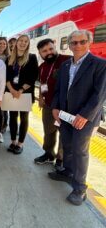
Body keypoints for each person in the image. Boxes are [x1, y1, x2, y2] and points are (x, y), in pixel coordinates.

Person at [50, 30, 106, 206]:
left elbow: (100, 94)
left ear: (89, 42)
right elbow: (59, 89)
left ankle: (80, 188)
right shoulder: (66, 65)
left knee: (80, 151)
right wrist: (55, 107)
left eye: (82, 42)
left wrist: (85, 115)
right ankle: (67, 171)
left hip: (85, 118)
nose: (78, 45)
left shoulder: (99, 64)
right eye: (74, 42)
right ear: (69, 44)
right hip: (65, 114)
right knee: (66, 144)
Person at [34, 39, 69, 168]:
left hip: (65, 107)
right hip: (48, 105)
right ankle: (48, 154)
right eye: (44, 51)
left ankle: (61, 160)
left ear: (55, 47)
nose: (48, 52)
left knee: (64, 133)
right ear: (40, 53)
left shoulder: (67, 61)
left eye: (50, 49)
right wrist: (41, 97)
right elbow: (43, 83)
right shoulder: (42, 67)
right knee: (48, 131)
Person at [5, 34, 38, 154]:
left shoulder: (32, 57)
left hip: (25, 93)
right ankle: (13, 141)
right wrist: (12, 90)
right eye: (21, 41)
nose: (23, 43)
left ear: (28, 44)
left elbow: (33, 77)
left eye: (26, 41)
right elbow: (6, 77)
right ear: (16, 43)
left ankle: (20, 144)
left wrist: (20, 90)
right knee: (13, 118)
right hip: (11, 93)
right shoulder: (9, 58)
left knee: (24, 119)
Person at [0, 36, 10, 137]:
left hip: (5, 87)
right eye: (0, 43)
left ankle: (2, 128)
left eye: (4, 43)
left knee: (3, 110)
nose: (2, 45)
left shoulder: (9, 57)